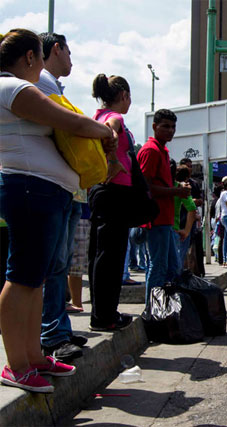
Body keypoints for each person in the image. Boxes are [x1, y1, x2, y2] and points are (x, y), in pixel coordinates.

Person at [0, 28, 117, 392]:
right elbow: (72, 122)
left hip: (42, 189)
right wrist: (104, 132)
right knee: (21, 278)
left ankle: (34, 356)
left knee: (34, 279)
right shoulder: (13, 88)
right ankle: (16, 364)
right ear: (31, 57)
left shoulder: (16, 87)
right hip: (30, 187)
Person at [34, 32, 87, 360]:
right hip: (48, 187)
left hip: (62, 187)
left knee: (59, 264)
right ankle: (52, 334)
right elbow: (71, 129)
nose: (71, 59)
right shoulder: (42, 82)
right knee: (52, 266)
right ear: (56, 49)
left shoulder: (49, 83)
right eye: (69, 51)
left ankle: (59, 329)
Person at [87, 73, 139, 331]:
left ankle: (102, 313)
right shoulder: (114, 117)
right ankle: (105, 316)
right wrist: (113, 159)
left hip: (98, 191)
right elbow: (112, 130)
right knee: (112, 256)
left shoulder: (95, 115)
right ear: (124, 96)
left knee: (99, 254)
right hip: (114, 192)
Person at [138, 109, 191, 302]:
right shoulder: (151, 150)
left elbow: (158, 184)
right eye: (165, 126)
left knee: (170, 267)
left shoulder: (163, 150)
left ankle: (163, 310)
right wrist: (177, 192)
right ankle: (152, 311)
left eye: (173, 127)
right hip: (156, 219)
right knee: (158, 266)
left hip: (166, 220)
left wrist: (176, 188)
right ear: (154, 127)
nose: (170, 131)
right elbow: (146, 187)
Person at [174, 163, 197, 267]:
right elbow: (192, 209)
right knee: (179, 257)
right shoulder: (183, 188)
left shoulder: (161, 186)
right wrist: (187, 231)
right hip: (178, 228)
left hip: (159, 227)